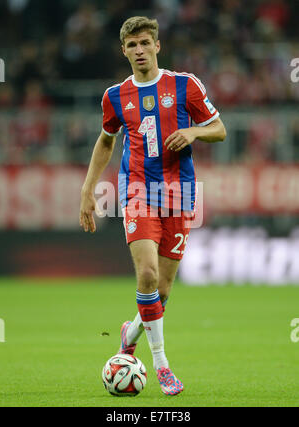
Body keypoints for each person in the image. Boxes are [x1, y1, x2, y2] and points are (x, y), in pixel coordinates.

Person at [79, 16, 226, 396]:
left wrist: (193, 130)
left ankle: (130, 333)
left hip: (179, 195)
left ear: (157, 46)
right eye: (132, 45)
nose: (140, 50)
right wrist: (88, 190)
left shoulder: (184, 85)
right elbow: (107, 142)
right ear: (124, 50)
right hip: (138, 193)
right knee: (145, 276)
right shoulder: (115, 95)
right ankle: (161, 366)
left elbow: (219, 128)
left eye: (146, 43)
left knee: (161, 291)